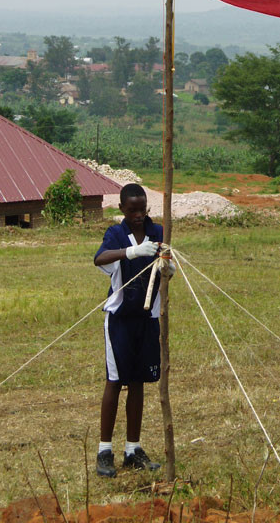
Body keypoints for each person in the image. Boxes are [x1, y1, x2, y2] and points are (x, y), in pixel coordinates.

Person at [94, 183, 165, 477]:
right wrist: (131, 252)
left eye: (142, 209)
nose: (138, 215)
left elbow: (164, 259)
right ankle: (104, 450)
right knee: (115, 380)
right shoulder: (116, 234)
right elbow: (99, 259)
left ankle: (132, 448)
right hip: (121, 319)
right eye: (132, 210)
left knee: (138, 381)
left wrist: (167, 267)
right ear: (122, 209)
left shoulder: (158, 232)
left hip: (147, 318)